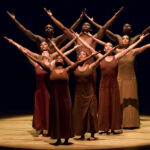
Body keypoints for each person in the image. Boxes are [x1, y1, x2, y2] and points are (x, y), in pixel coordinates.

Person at [4, 36, 79, 137]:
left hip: (48, 90)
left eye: (45, 46)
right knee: (40, 110)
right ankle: (40, 129)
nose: (43, 48)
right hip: (39, 91)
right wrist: (13, 42)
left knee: (48, 109)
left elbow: (63, 51)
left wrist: (74, 45)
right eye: (41, 45)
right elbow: (25, 51)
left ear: (49, 50)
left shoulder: (51, 64)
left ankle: (49, 129)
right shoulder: (36, 64)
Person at [74, 32, 148, 134]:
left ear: (112, 48)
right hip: (103, 86)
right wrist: (78, 38)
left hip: (113, 86)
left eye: (110, 46)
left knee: (114, 106)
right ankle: (104, 128)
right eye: (106, 46)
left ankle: (113, 127)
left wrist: (140, 40)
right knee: (104, 107)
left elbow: (129, 48)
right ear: (104, 49)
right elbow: (89, 47)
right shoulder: (100, 57)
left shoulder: (116, 57)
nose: (108, 47)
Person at [44, 7, 123, 95]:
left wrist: (115, 16)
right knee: (79, 91)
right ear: (81, 27)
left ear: (91, 29)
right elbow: (64, 29)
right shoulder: (75, 38)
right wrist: (51, 17)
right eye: (84, 24)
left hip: (91, 67)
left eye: (88, 25)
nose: (85, 25)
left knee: (93, 91)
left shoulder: (94, 38)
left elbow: (104, 28)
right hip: (78, 68)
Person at [50, 37, 117, 140]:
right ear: (78, 57)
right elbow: (63, 55)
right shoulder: (74, 66)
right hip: (78, 95)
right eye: (80, 54)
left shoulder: (91, 66)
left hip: (90, 93)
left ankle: (92, 135)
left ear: (87, 57)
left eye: (84, 54)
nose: (81, 55)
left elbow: (100, 59)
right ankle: (81, 134)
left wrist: (111, 51)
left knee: (91, 115)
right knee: (80, 115)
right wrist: (55, 46)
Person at [7, 9, 86, 53]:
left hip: (56, 64)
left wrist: (80, 18)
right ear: (44, 31)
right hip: (43, 62)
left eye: (50, 27)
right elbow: (25, 31)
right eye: (46, 28)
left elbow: (69, 30)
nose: (48, 28)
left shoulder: (58, 40)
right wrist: (15, 20)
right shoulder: (39, 39)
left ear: (53, 31)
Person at [85, 13, 150, 48]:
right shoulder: (118, 38)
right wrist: (92, 22)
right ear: (122, 31)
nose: (127, 26)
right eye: (125, 26)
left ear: (131, 31)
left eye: (129, 26)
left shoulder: (134, 39)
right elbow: (104, 29)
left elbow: (145, 32)